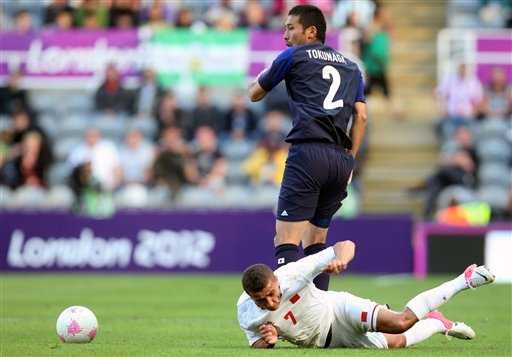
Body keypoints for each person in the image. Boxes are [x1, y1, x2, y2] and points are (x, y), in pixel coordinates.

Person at [247, 4, 367, 291]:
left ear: (311, 31)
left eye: (290, 28)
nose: (285, 35)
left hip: (308, 153)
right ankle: (320, 315)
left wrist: (272, 68)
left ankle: (290, 315)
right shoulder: (352, 67)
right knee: (317, 244)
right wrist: (351, 159)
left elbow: (254, 93)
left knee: (286, 241)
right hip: (340, 160)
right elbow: (361, 116)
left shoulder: (292, 56)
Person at [237, 240, 495, 349]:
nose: (270, 302)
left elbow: (345, 245)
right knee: (400, 342)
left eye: (272, 293)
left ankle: (465, 279)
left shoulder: (292, 273)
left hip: (337, 309)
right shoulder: (246, 312)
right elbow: (255, 341)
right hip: (326, 342)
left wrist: (341, 259)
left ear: (275, 279)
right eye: (261, 300)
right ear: (249, 296)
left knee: (399, 323)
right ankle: (438, 322)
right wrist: (268, 342)